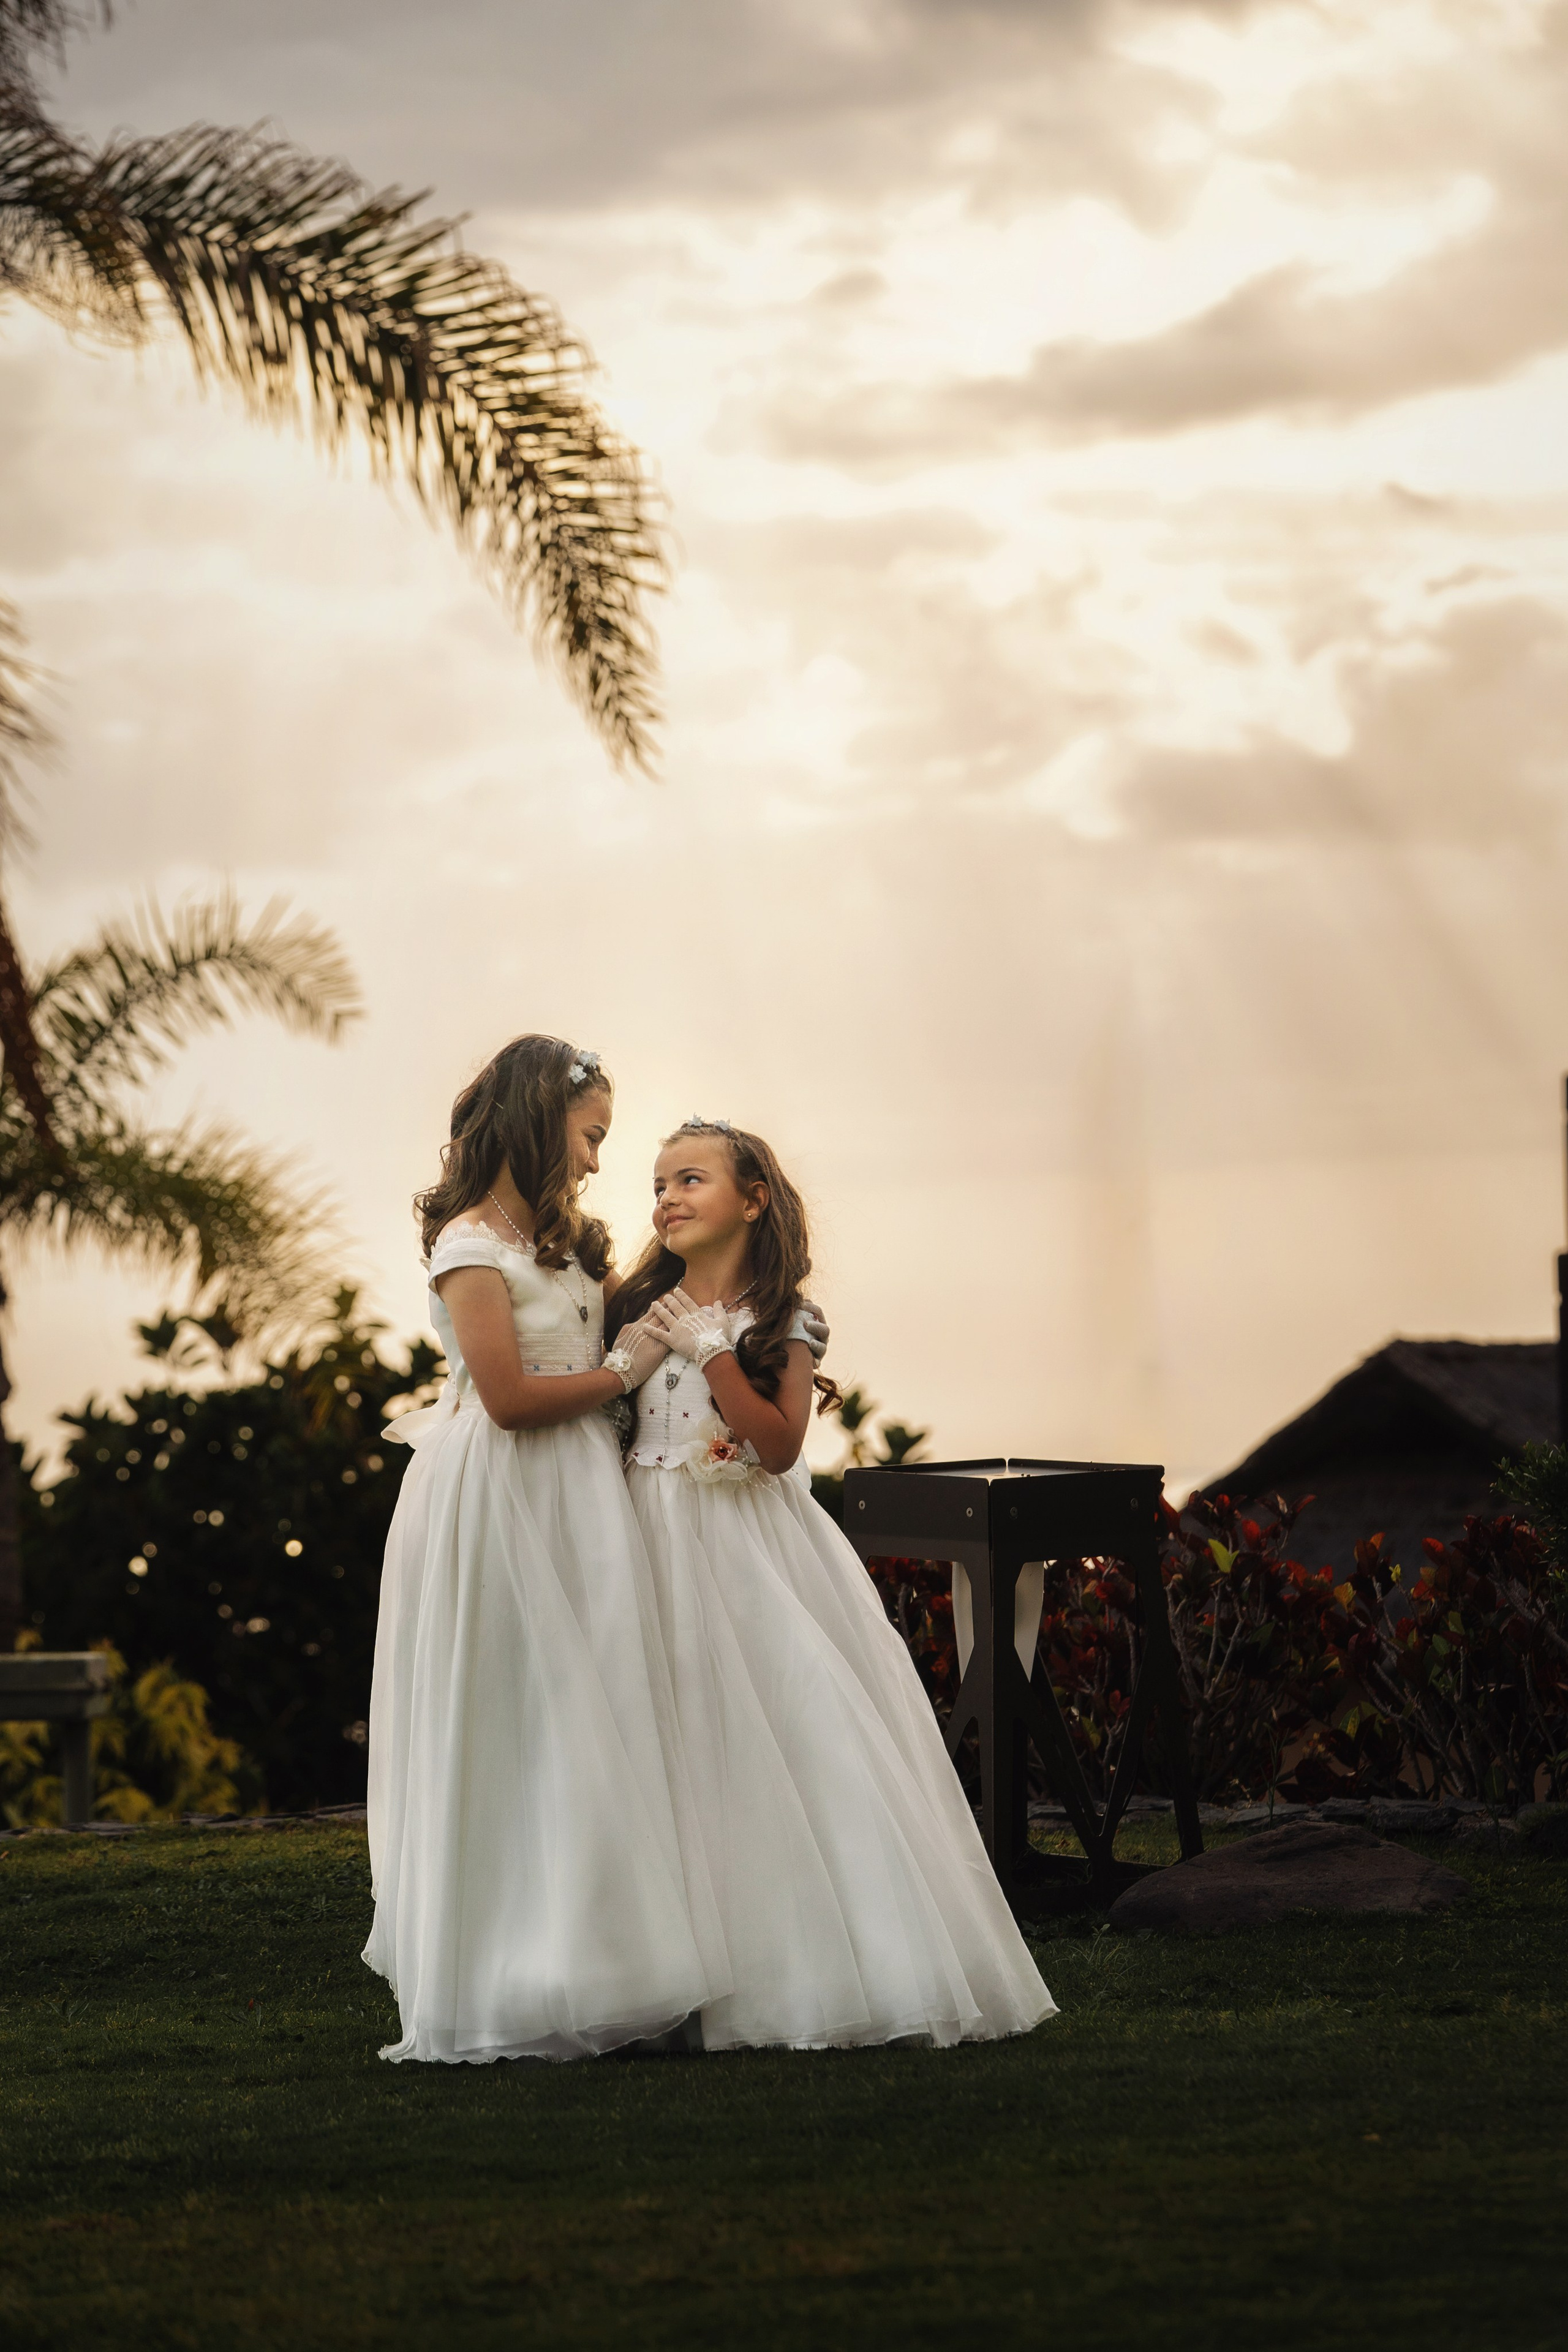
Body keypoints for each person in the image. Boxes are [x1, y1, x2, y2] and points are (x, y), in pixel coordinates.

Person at [608, 1117, 1057, 2051]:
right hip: (645, 1541)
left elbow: (774, 1449)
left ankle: (794, 1966)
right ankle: (659, 1973)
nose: (668, 1198)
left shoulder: (784, 1322)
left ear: (754, 1198)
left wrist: (712, 1351)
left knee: (771, 1734)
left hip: (747, 1552)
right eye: (659, 1184)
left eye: (691, 1179)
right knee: (661, 1742)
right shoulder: (638, 1308)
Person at [363, 1036, 731, 2062]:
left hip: (580, 1493)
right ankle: (509, 1977)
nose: (600, 1160)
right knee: (516, 1717)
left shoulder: (573, 1244)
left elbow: (660, 1328)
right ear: (538, 1119)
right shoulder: (468, 1246)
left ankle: (608, 1967)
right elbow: (514, 1399)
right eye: (592, 1136)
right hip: (503, 1493)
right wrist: (621, 1372)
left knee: (599, 1707)